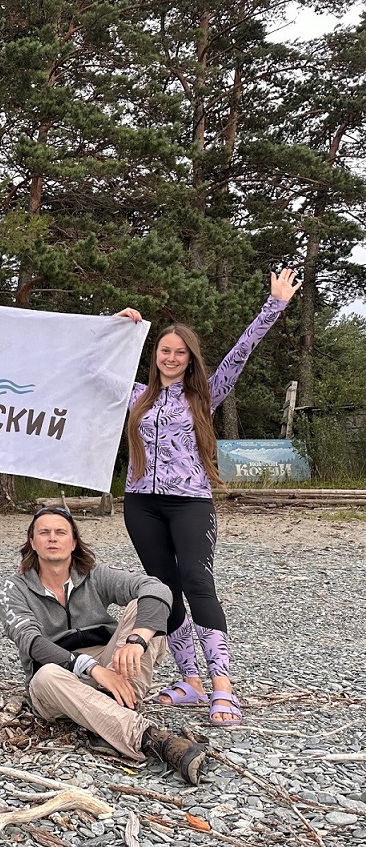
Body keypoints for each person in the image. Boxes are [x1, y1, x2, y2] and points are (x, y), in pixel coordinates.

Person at [115, 269, 300, 727]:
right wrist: (114, 327)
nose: (172, 358)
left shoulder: (205, 394)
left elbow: (242, 353)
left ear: (189, 359)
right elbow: (87, 370)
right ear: (153, 355)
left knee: (198, 586)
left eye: (180, 353)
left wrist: (273, 304)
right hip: (141, 503)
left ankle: (222, 686)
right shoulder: (135, 395)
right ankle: (190, 681)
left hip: (190, 503)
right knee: (163, 590)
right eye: (164, 351)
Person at [0, 507, 208, 784]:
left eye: (60, 532)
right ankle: (153, 739)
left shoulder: (94, 575)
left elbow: (158, 588)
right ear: (32, 543)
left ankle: (107, 720)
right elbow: (32, 643)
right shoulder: (14, 589)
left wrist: (137, 640)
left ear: (73, 542)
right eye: (44, 532)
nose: (52, 538)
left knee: (144, 607)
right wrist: (92, 669)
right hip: (59, 679)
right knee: (46, 675)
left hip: (112, 667)